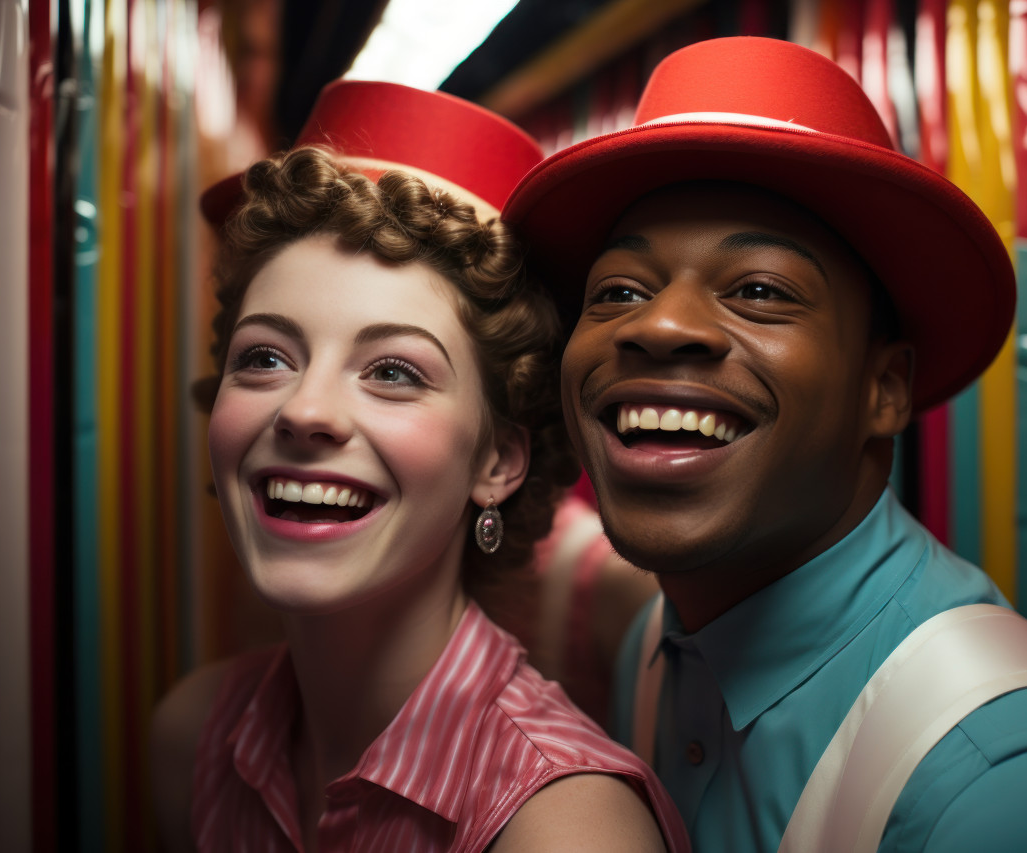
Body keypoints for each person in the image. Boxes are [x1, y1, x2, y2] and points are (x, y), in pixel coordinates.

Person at [504, 37, 1027, 852]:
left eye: (760, 291)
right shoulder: (655, 656)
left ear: (884, 389)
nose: (659, 325)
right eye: (619, 290)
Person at [151, 81, 688, 852]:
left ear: (499, 461)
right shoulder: (192, 741)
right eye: (266, 356)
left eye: (394, 371)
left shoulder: (564, 827)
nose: (304, 412)